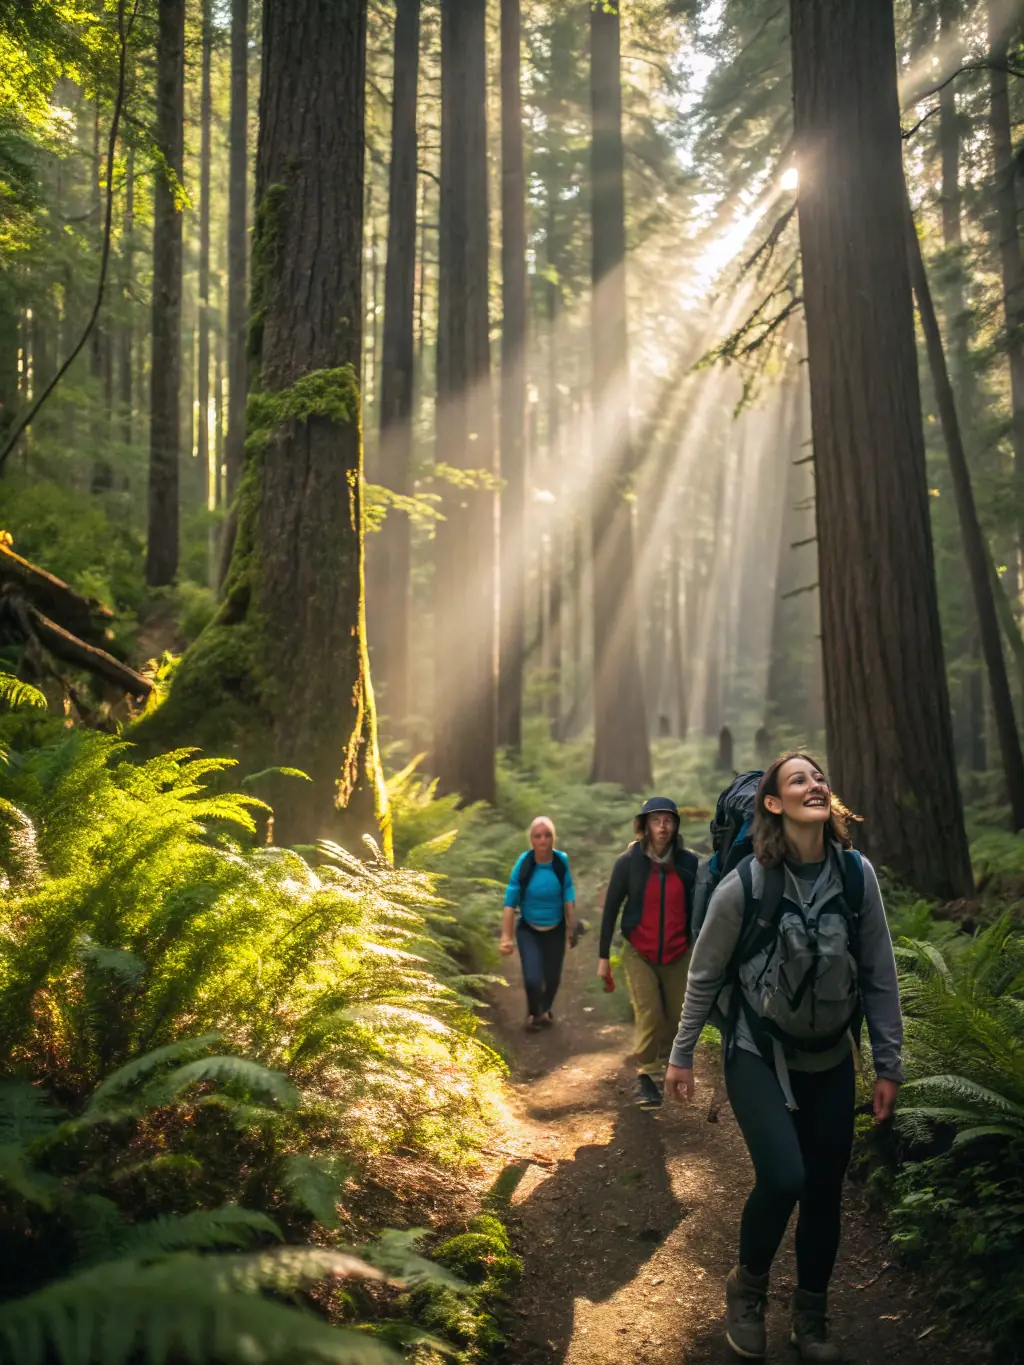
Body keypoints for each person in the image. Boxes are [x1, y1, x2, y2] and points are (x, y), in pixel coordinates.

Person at [664, 753, 903, 1362]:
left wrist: (886, 1063)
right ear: (773, 803)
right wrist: (682, 1053)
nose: (815, 784)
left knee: (824, 1189)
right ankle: (747, 1289)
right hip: (756, 1053)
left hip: (830, 1058)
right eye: (799, 779)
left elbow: (879, 974)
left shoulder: (856, 877)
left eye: (820, 777)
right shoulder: (746, 883)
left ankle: (812, 1315)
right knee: (784, 1176)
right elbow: (705, 973)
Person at [598, 797, 698, 1108]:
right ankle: (648, 1076)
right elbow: (612, 909)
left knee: (675, 1017)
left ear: (675, 824)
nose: (663, 826)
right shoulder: (628, 862)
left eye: (668, 820)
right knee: (650, 1012)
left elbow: (699, 907)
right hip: (638, 950)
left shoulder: (689, 862)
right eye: (656, 820)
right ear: (645, 825)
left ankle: (666, 1067)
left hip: (679, 951)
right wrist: (604, 958)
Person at [500, 816, 577, 1031]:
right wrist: (506, 937)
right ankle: (535, 1013)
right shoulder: (524, 864)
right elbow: (510, 901)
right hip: (529, 929)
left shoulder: (561, 861)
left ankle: (543, 1011)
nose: (543, 840)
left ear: (553, 838)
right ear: (531, 840)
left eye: (548, 835)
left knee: (552, 979)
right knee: (533, 979)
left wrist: (572, 927)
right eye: (538, 836)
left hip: (556, 928)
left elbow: (568, 892)